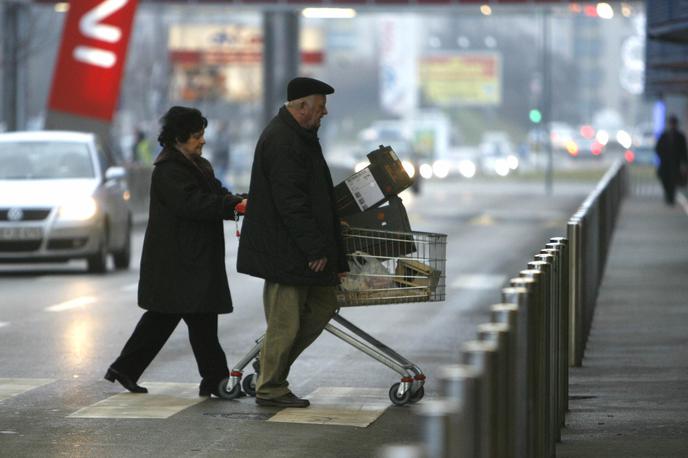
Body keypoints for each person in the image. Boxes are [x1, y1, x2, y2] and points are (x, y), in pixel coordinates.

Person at [105, 106, 247, 398]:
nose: (202, 141)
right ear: (179, 138)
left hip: (191, 260)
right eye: (196, 136)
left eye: (202, 135)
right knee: (190, 321)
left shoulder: (199, 165)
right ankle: (215, 381)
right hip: (178, 262)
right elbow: (193, 204)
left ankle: (127, 370)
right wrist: (231, 206)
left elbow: (216, 194)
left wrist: (238, 201)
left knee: (176, 320)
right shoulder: (168, 171)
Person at [237, 77, 348, 408]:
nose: (324, 113)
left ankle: (272, 363)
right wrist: (314, 248)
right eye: (320, 107)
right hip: (287, 251)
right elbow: (291, 202)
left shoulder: (300, 136)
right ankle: (270, 387)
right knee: (285, 321)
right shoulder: (283, 140)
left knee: (324, 304)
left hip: (297, 249)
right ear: (302, 107)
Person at [655, 115, 688, 206]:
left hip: (675, 164)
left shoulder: (680, 136)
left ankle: (671, 198)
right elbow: (658, 148)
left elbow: (684, 151)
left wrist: (684, 163)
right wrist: (662, 157)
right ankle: (668, 196)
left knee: (673, 181)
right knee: (665, 180)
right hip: (665, 163)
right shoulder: (664, 135)